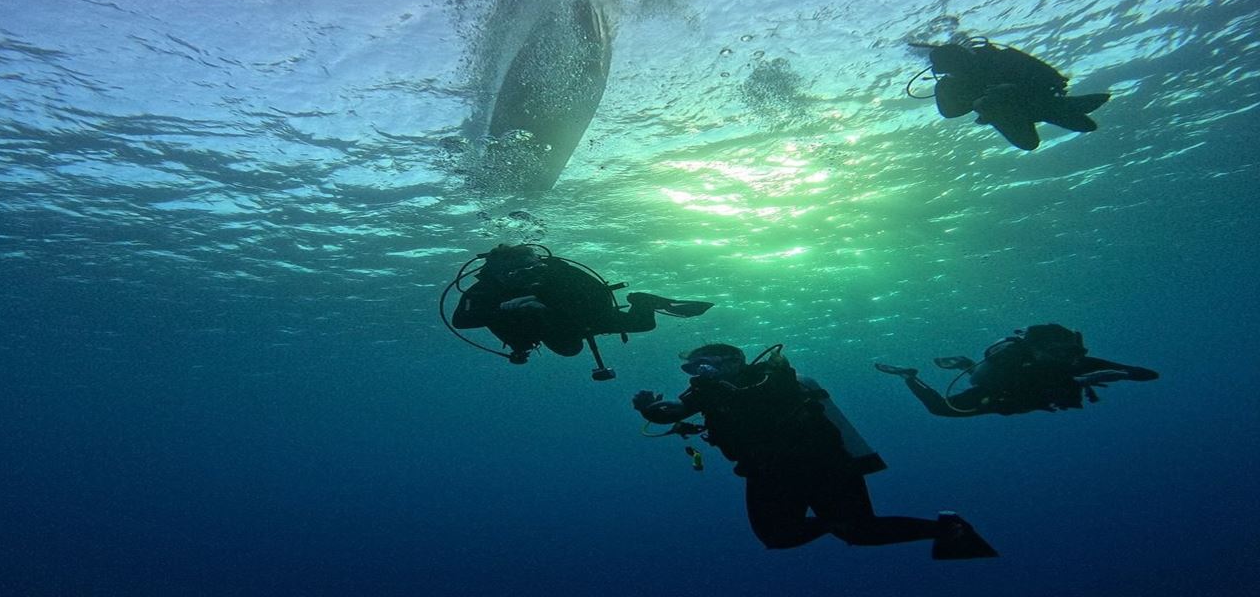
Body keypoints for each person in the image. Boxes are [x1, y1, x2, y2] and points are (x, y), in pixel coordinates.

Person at [633, 344, 998, 559]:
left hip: (823, 465)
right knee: (777, 538)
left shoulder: (773, 375)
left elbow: (765, 396)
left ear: (737, 361)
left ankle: (950, 530)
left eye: (710, 362)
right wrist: (648, 408)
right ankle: (836, 522)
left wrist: (719, 389)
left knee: (862, 533)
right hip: (765, 472)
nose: (701, 370)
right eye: (694, 366)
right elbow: (675, 413)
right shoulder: (704, 390)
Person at [447, 244, 712, 368]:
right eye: (511, 273)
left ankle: (642, 301)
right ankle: (642, 303)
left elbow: (595, 293)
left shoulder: (555, 273)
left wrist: (546, 305)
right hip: (544, 327)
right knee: (569, 350)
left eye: (527, 269)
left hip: (578, 317)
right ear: (495, 271)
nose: (521, 277)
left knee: (642, 323)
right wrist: (507, 309)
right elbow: (460, 321)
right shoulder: (486, 288)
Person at [875, 323, 1160, 417]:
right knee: (941, 409)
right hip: (998, 393)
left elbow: (1147, 373)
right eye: (1058, 351)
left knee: (974, 378)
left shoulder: (1078, 363)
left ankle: (964, 363)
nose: (1067, 357)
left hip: (1012, 393)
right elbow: (1001, 382)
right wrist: (1088, 377)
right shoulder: (1017, 362)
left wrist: (1124, 373)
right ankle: (909, 376)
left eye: (1071, 351)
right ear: (1038, 350)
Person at [920, 39, 1110, 150]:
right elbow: (949, 112)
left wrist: (1011, 89)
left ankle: (1063, 106)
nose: (957, 70)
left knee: (1086, 126)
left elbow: (1051, 77)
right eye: (949, 69)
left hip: (1035, 100)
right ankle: (1065, 106)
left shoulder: (1000, 58)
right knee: (1029, 144)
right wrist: (983, 101)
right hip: (1005, 113)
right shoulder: (949, 85)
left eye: (957, 64)